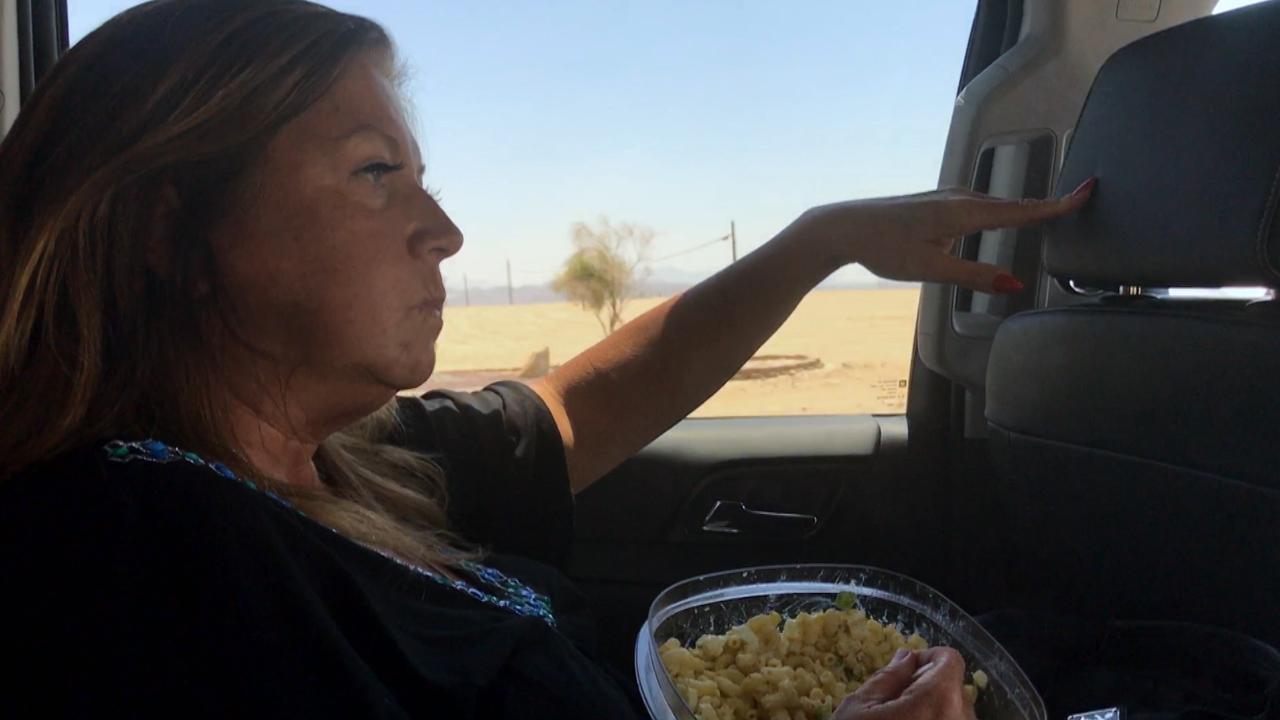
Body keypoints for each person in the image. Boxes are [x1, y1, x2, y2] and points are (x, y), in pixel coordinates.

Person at [0, 1, 1093, 717]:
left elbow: (571, 413)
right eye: (375, 173)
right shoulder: (133, 571)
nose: (443, 230)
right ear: (167, 231)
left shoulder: (331, 460)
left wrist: (821, 241)